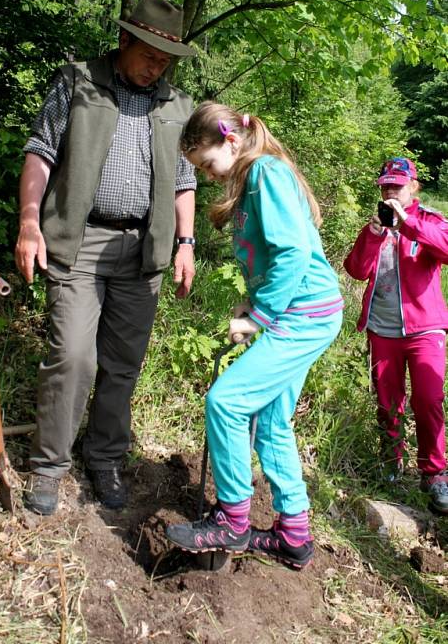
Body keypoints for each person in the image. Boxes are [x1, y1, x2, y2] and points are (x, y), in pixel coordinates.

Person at [15, 0, 197, 515]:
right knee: (73, 355)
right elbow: (40, 152)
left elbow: (185, 181)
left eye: (165, 60)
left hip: (146, 249)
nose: (156, 67)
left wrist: (185, 243)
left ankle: (105, 459)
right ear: (124, 41)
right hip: (80, 240)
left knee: (123, 364)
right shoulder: (77, 82)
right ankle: (49, 466)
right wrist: (30, 223)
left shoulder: (177, 107)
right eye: (149, 55)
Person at [165, 102, 343, 569]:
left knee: (225, 403)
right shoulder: (250, 181)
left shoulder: (265, 171)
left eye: (207, 163)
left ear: (230, 140)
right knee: (271, 424)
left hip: (301, 315)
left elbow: (293, 253)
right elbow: (271, 258)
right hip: (302, 311)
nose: (207, 175)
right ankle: (294, 536)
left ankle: (232, 521)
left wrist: (259, 317)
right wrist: (253, 299)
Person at [344, 157, 448, 513]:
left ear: (413, 187)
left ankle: (434, 474)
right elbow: (356, 270)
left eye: (397, 186)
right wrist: (374, 234)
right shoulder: (376, 225)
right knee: (388, 403)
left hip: (424, 328)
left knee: (429, 399)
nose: (390, 192)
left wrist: (410, 225)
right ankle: (391, 462)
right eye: (386, 186)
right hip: (382, 328)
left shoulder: (430, 220)